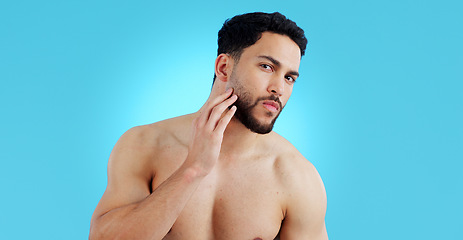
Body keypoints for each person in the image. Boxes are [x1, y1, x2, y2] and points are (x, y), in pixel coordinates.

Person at [89, 12, 328, 240]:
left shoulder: (297, 177)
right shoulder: (144, 145)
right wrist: (192, 170)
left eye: (289, 77)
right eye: (267, 67)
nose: (279, 88)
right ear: (224, 67)